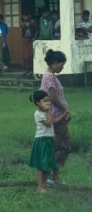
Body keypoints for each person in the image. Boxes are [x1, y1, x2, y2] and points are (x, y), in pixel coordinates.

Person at [39, 49, 73, 187]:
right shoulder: (50, 77)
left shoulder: (49, 76)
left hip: (57, 115)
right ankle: (51, 176)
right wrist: (65, 110)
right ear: (54, 63)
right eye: (61, 64)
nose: (62, 67)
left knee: (58, 146)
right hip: (56, 116)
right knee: (63, 146)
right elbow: (53, 97)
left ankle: (54, 176)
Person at [28, 90, 68, 193]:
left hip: (48, 139)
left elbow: (53, 121)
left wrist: (63, 115)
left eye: (48, 101)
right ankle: (40, 187)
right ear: (37, 102)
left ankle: (44, 186)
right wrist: (49, 111)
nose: (48, 103)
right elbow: (49, 123)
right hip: (42, 140)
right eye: (45, 101)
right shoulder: (38, 114)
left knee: (46, 164)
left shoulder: (45, 112)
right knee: (41, 165)